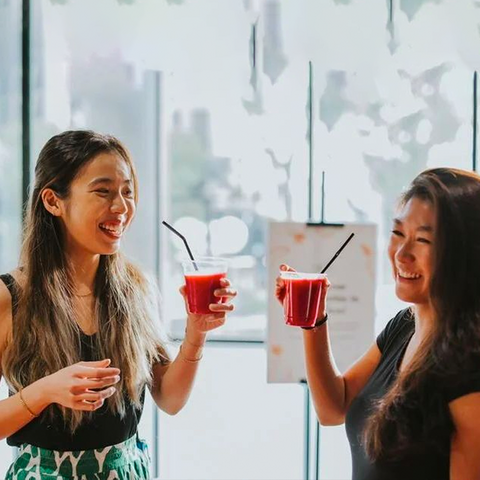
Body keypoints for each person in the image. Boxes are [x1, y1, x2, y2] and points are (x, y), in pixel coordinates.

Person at [0, 130, 237, 479]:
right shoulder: (11, 298)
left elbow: (170, 399)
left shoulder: (135, 289)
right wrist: (46, 391)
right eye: (103, 191)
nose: (122, 207)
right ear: (53, 201)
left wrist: (196, 334)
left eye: (127, 192)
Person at [275, 168, 480, 480]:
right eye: (398, 234)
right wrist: (313, 319)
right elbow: (333, 407)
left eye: (423, 240)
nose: (401, 254)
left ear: (464, 253)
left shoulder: (469, 366)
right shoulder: (404, 326)